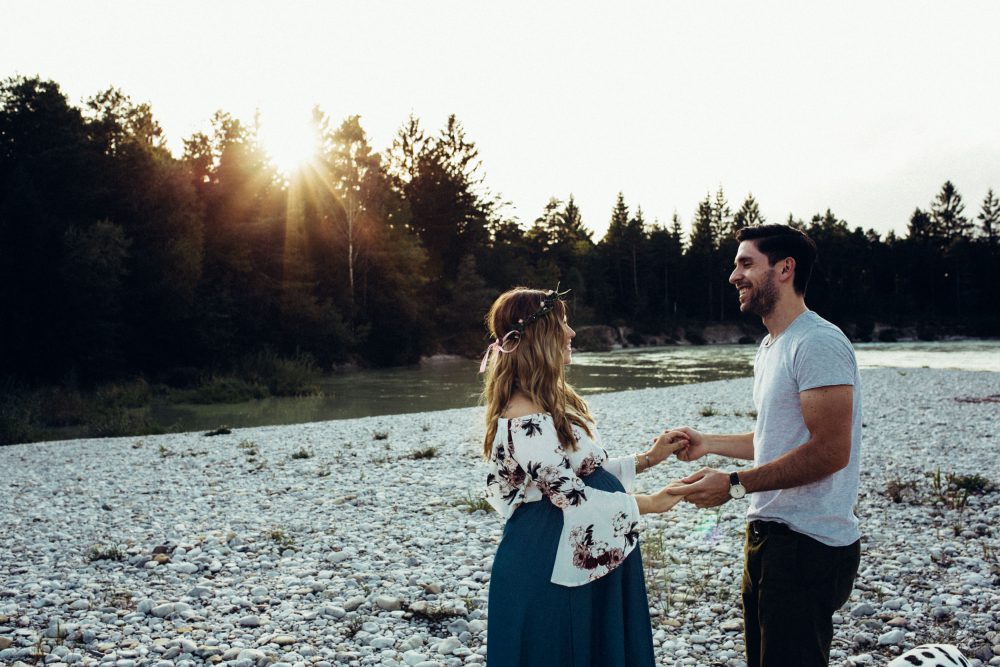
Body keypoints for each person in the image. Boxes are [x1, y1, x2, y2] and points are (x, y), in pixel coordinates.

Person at [663, 224, 862, 667]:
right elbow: (776, 441)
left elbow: (831, 451)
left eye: (746, 263)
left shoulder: (819, 342)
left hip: (808, 544)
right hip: (770, 540)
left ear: (785, 269)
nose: (734, 276)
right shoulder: (771, 345)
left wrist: (733, 485)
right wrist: (707, 443)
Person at [481, 287, 685, 667]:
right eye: (563, 323)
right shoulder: (522, 417)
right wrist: (651, 503)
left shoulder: (550, 399)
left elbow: (583, 470)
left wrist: (650, 459)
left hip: (580, 541)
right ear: (539, 337)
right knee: (569, 649)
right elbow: (570, 496)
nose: (571, 333)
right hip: (552, 554)